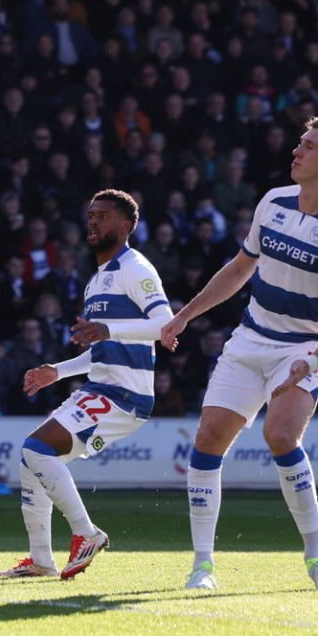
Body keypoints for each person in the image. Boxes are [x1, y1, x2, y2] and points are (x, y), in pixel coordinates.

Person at [162, 118, 318, 590]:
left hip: (306, 346)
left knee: (280, 434)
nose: (297, 149)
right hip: (250, 339)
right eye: (300, 142)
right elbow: (239, 269)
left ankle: (314, 553)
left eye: (309, 146)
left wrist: (311, 362)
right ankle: (203, 565)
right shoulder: (273, 202)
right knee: (208, 437)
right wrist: (184, 315)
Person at [0, 190, 173, 580]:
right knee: (31, 460)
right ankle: (41, 559)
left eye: (105, 216)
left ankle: (86, 533)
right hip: (101, 388)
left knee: (36, 448)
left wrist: (108, 328)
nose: (94, 222)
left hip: (125, 395)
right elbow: (104, 350)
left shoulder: (135, 269)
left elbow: (165, 324)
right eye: (92, 215)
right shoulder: (97, 281)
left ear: (126, 226)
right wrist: (56, 371)